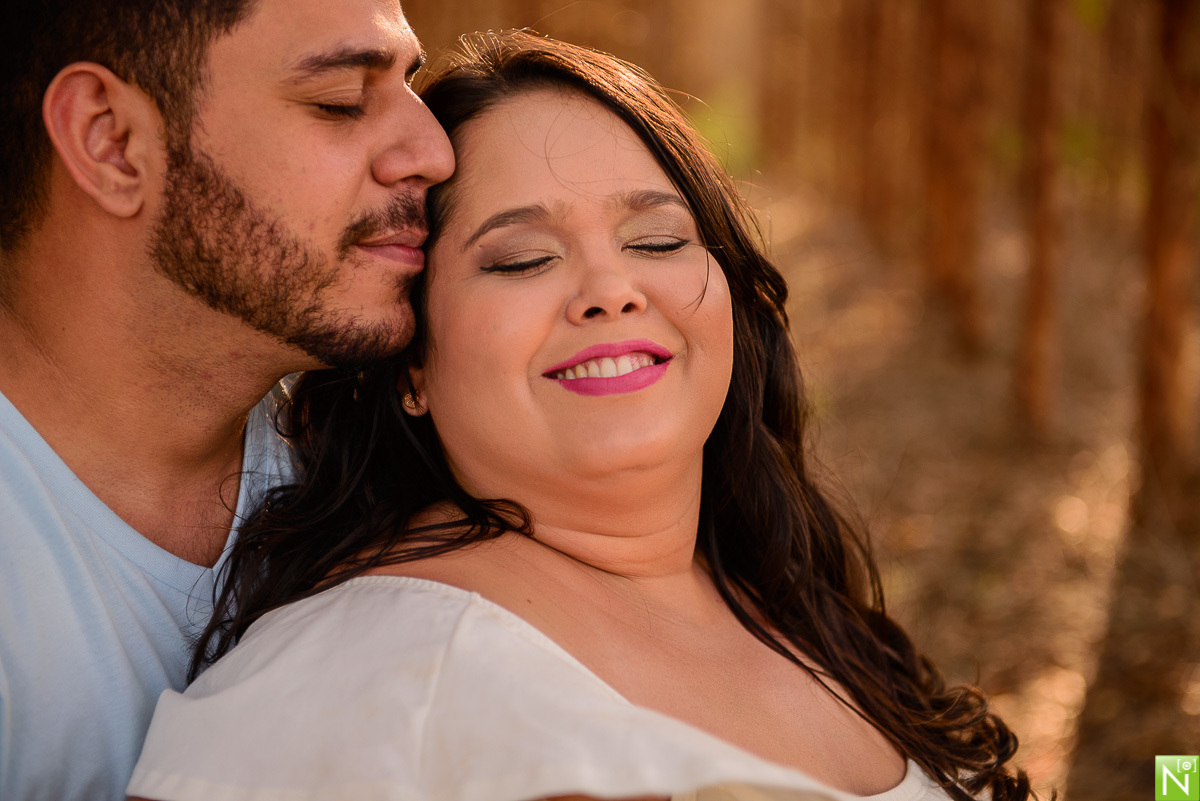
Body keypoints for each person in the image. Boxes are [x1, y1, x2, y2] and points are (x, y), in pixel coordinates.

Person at [127, 31, 1033, 801]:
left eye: (658, 240)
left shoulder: (787, 594)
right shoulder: (353, 689)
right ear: (412, 366)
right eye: (522, 259)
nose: (611, 290)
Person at [0, 2, 454, 799]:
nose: (434, 151)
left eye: (410, 89)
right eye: (341, 101)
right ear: (110, 141)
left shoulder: (382, 473)